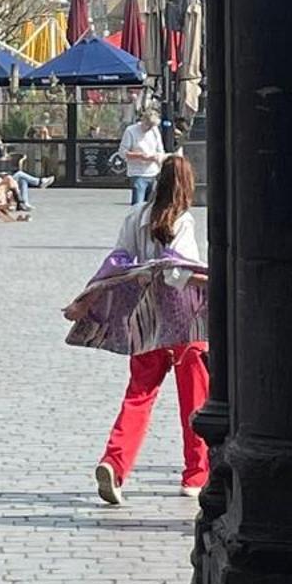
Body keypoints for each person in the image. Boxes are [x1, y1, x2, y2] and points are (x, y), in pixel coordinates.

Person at [87, 156, 209, 504]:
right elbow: (178, 270)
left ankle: (115, 461)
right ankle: (195, 475)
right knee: (195, 401)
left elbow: (118, 260)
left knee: (138, 395)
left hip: (145, 317)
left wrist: (89, 298)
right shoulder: (183, 221)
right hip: (185, 320)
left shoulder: (136, 216)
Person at [119, 107, 166, 205]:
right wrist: (140, 156)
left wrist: (158, 157)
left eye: (152, 126)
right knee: (138, 205)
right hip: (138, 173)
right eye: (148, 125)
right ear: (143, 120)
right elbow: (123, 152)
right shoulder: (131, 131)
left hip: (153, 172)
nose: (149, 128)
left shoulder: (154, 130)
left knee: (152, 205)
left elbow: (160, 150)